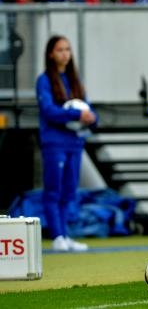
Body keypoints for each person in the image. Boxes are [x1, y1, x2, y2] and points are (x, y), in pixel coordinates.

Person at [36, 35, 97, 252]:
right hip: (54, 142)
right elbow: (49, 111)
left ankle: (66, 235)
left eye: (68, 49)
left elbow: (89, 109)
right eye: (60, 49)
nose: (65, 53)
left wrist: (91, 117)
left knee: (69, 190)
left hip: (75, 143)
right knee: (54, 189)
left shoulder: (74, 81)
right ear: (51, 54)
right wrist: (75, 114)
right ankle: (57, 236)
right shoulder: (44, 80)